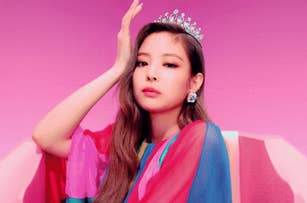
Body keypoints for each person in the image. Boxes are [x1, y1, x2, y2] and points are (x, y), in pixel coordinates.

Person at [32, 0, 232, 202]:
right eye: (142, 63)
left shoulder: (201, 138)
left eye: (170, 64)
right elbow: (47, 136)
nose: (151, 74)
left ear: (194, 83)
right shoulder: (124, 145)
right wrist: (117, 69)